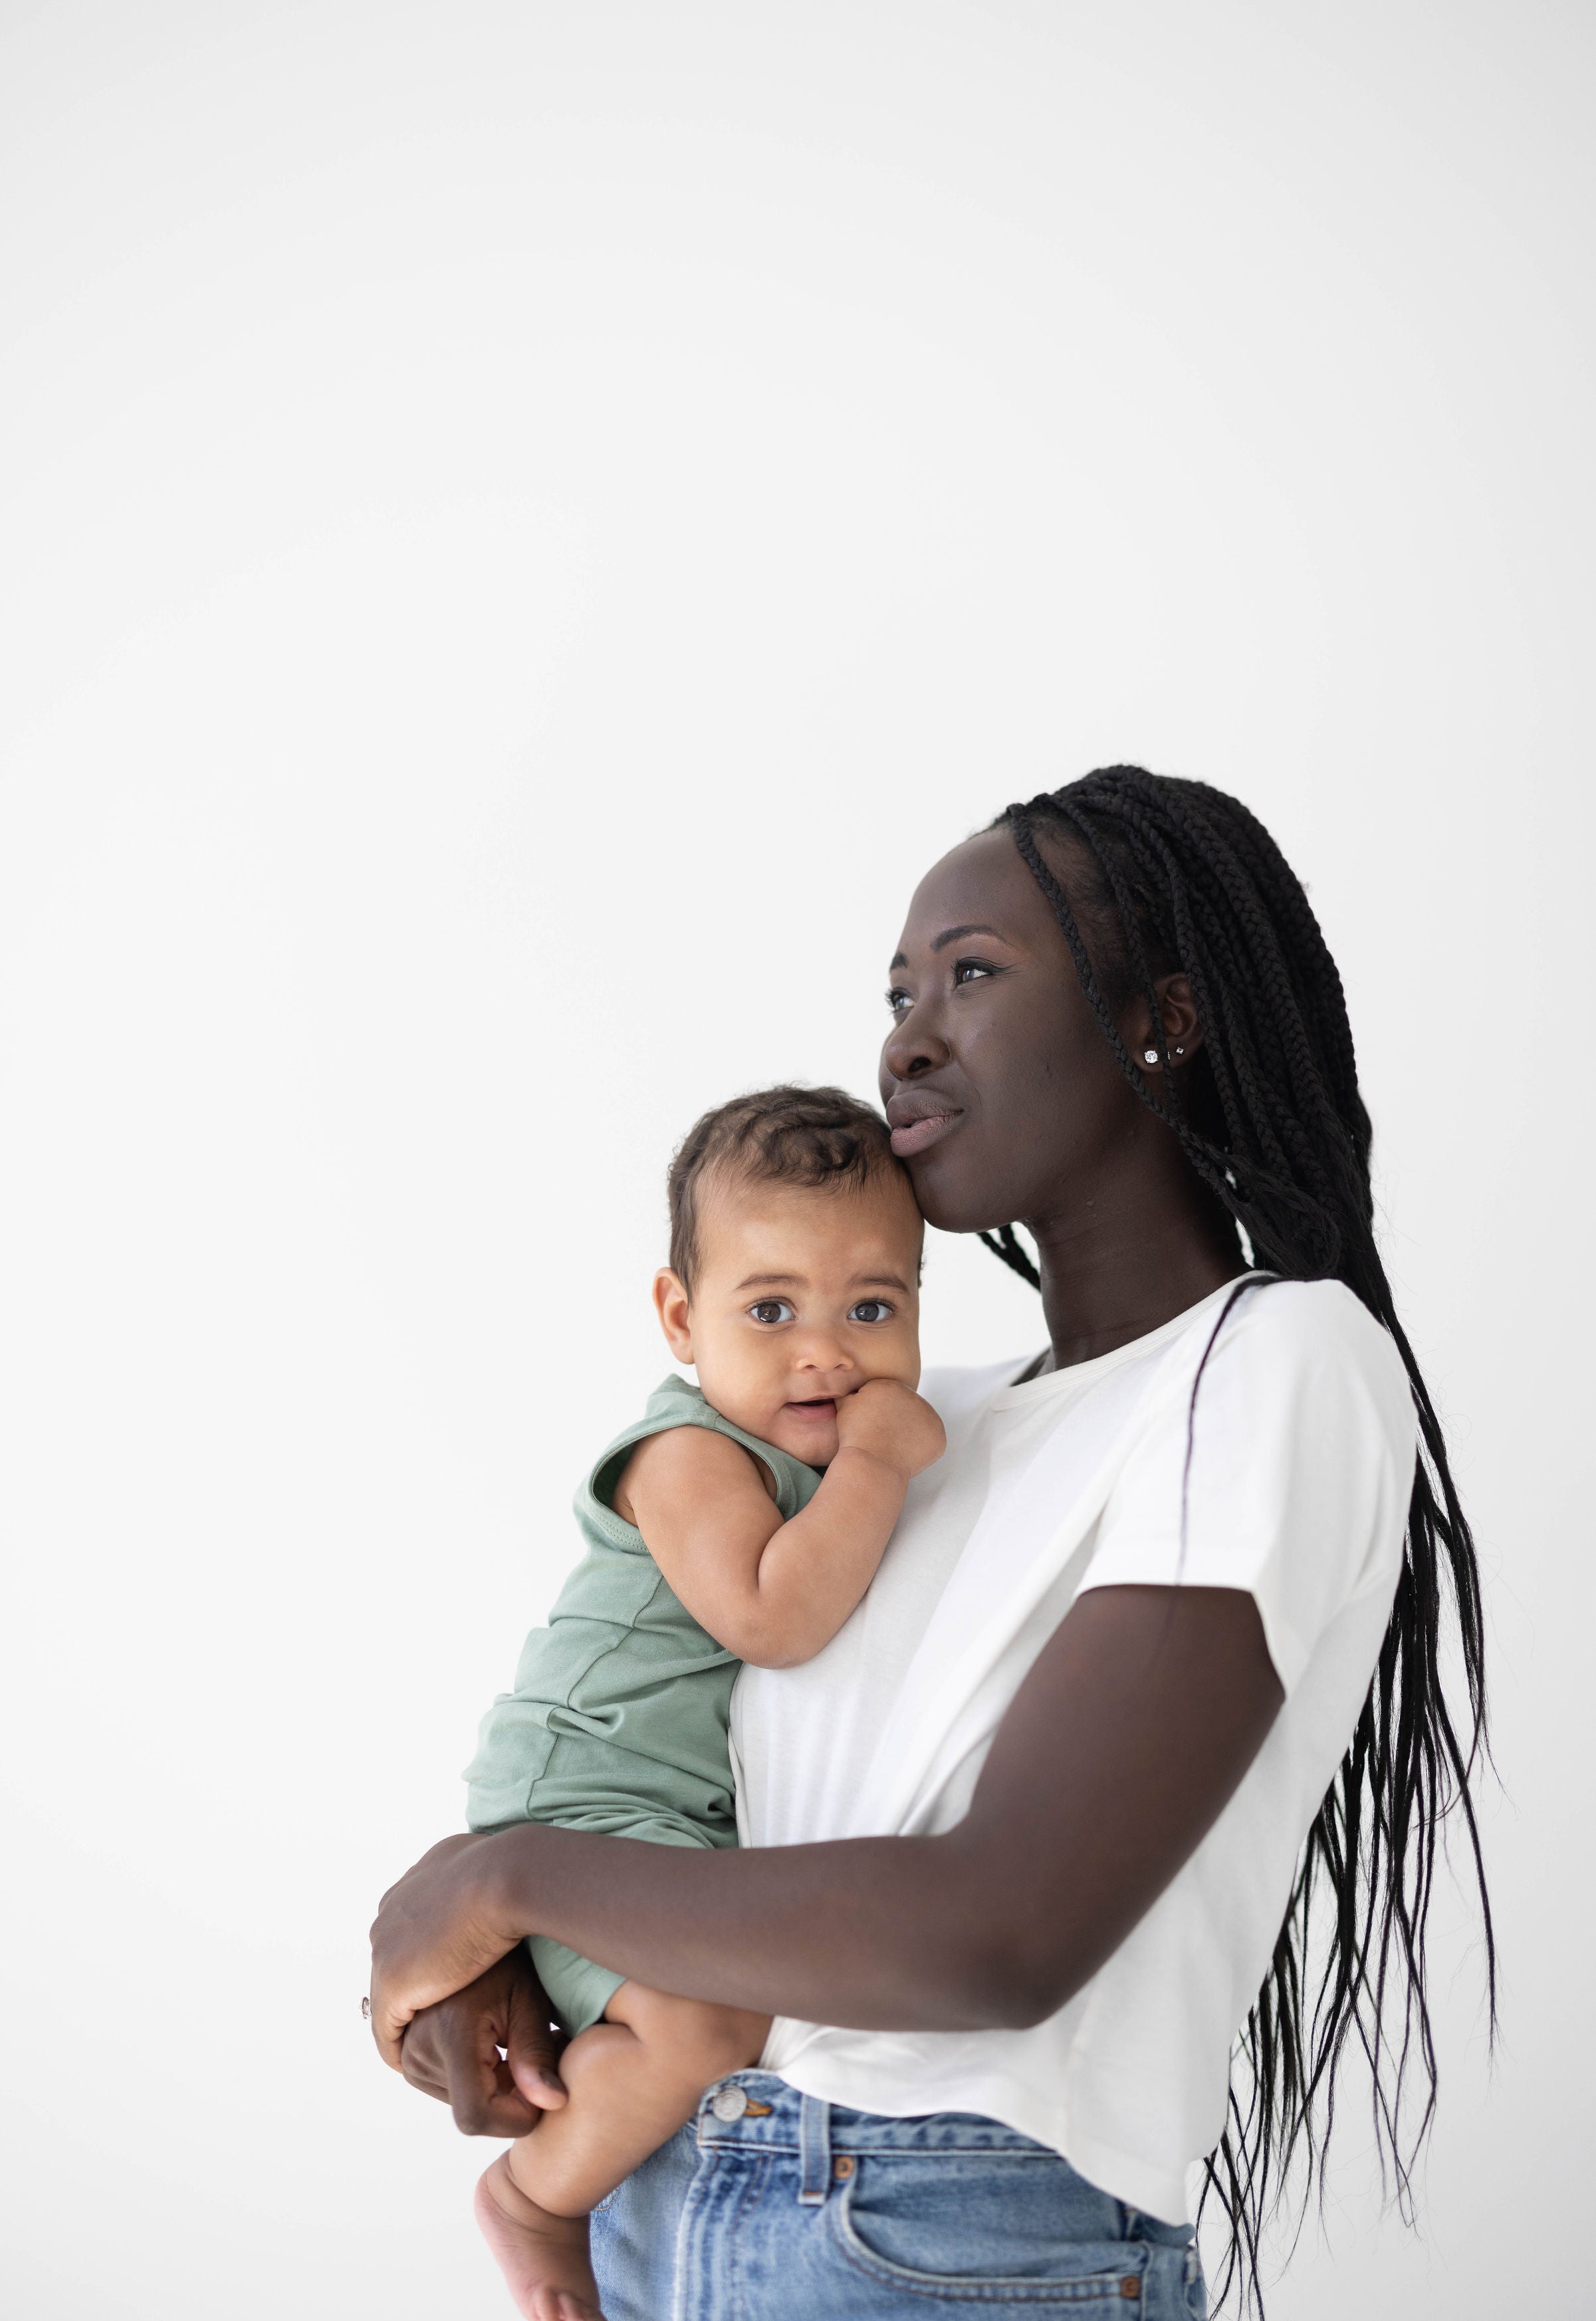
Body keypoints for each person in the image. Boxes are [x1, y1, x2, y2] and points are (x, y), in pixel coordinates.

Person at [370, 765, 1492, 2320]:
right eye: (897, 993)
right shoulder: (899, 1427)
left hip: (941, 2239)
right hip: (667, 2196)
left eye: (970, 975)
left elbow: (1000, 1934)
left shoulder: (1271, 1364)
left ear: (1161, 1019)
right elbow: (687, 1778)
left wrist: (508, 1878)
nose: (904, 1039)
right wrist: (511, 1957)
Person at [463, 1086, 943, 2318]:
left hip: (668, 1811)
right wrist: (879, 1460)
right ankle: (534, 2199)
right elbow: (773, 1619)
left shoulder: (815, 1453)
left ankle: (603, 2116)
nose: (825, 1352)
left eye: (871, 1308)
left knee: (719, 2013)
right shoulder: (687, 1456)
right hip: (581, 1791)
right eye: (770, 1309)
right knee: (704, 2027)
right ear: (681, 1318)